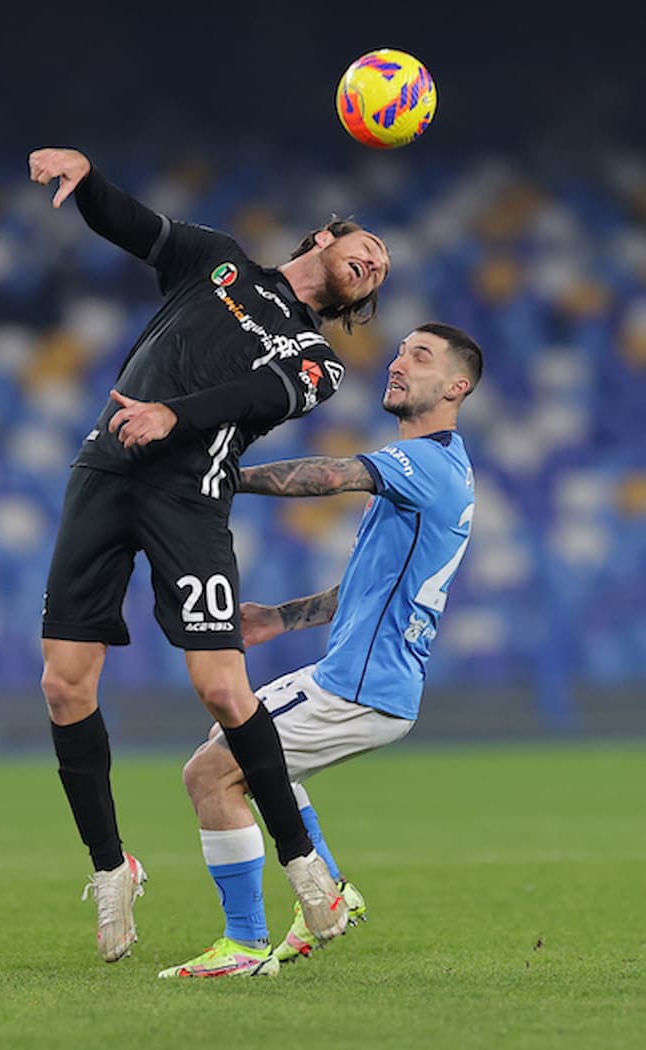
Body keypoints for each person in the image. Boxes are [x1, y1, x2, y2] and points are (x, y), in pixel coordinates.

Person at [28, 147, 390, 963]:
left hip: (188, 495)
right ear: (328, 234)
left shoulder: (320, 362)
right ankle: (111, 868)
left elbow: (253, 397)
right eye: (367, 247)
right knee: (62, 683)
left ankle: (305, 869)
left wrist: (171, 415)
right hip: (106, 470)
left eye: (381, 274)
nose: (374, 264)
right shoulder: (217, 261)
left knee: (223, 687)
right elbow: (135, 226)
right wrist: (87, 180)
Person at [159, 321, 482, 978]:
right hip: (355, 678)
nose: (398, 363)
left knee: (210, 775)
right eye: (398, 351)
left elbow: (331, 474)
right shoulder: (430, 474)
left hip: (360, 689)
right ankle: (331, 891)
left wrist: (222, 478)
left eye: (419, 356)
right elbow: (369, 583)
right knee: (245, 759)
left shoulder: (425, 462)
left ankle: (244, 946)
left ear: (457, 386)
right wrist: (281, 617)